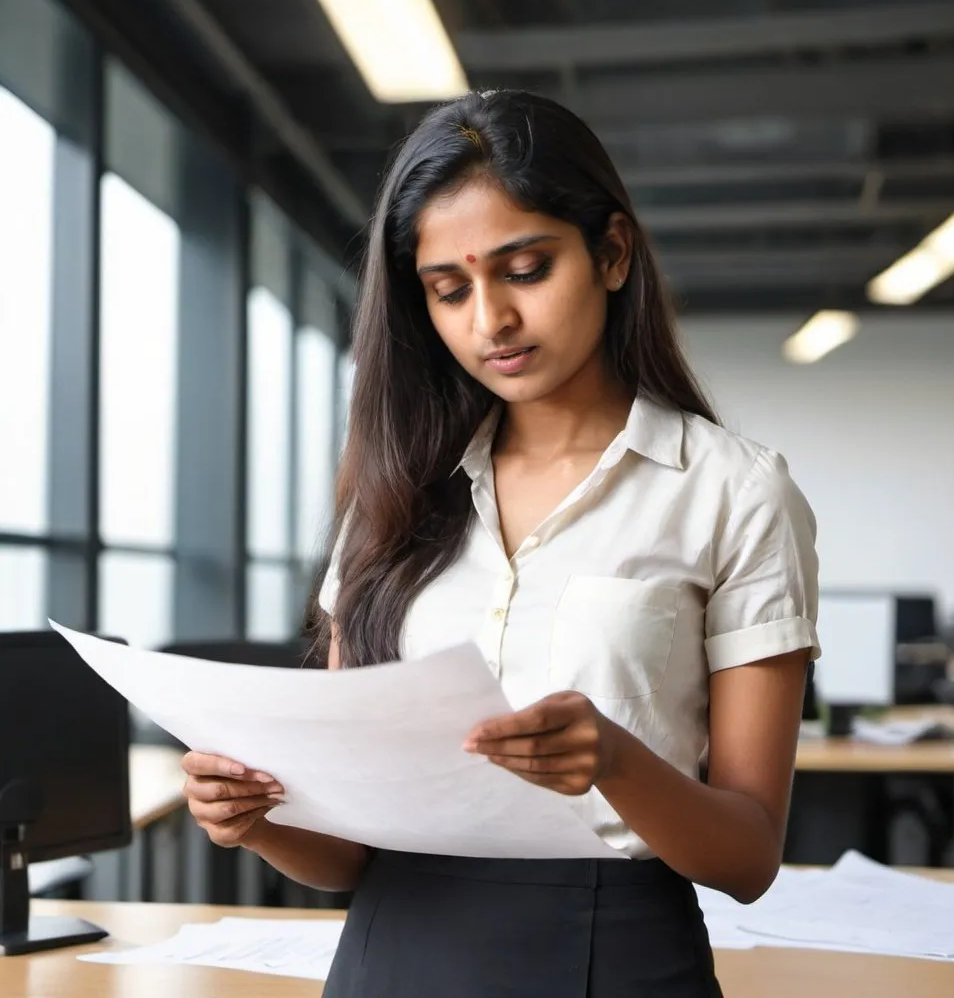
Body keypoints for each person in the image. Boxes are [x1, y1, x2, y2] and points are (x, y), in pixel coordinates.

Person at [182, 89, 820, 997]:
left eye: (524, 269)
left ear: (611, 252)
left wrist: (615, 760)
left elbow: (748, 858)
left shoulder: (733, 491)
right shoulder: (392, 498)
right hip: (386, 961)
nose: (490, 322)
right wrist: (255, 821)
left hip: (617, 956)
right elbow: (350, 859)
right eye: (449, 290)